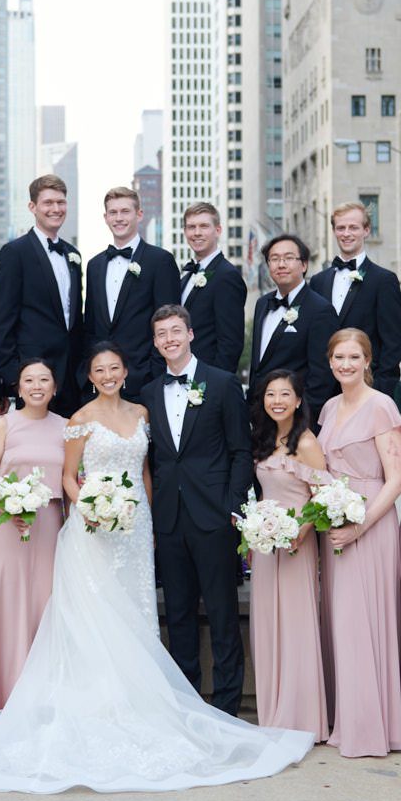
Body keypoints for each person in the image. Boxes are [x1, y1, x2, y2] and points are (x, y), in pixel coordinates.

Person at [0, 342, 314, 793]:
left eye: (114, 368)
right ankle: (99, 707)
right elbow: (68, 477)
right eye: (99, 369)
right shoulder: (79, 420)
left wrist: (152, 522)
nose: (107, 375)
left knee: (136, 609)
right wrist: (91, 508)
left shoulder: (142, 413)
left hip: (138, 527)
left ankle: (146, 700)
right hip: (95, 528)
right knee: (97, 616)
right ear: (90, 376)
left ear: (124, 372)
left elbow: (145, 473)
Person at [141, 305, 251, 716]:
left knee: (223, 615)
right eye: (161, 334)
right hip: (168, 519)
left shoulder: (222, 384)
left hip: (214, 518)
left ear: (190, 333)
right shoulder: (149, 393)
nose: (169, 339)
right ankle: (187, 705)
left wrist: (233, 508)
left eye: (175, 331)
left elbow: (241, 451)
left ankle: (226, 709)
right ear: (154, 343)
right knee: (180, 615)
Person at [317, 328, 401, 758]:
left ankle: (372, 727)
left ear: (368, 361)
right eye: (339, 358)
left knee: (364, 622)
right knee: (342, 622)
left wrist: (361, 526)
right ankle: (347, 716)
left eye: (353, 357)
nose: (345, 365)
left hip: (370, 524)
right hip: (336, 520)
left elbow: (397, 479)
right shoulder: (330, 407)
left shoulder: (382, 406)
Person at [0, 359, 66, 718]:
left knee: (44, 609)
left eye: (44, 379)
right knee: (9, 608)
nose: (37, 385)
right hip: (7, 526)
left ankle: (43, 699)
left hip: (49, 528)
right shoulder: (2, 425)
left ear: (55, 387)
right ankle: (6, 700)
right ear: (19, 387)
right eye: (29, 379)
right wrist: (11, 508)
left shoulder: (67, 426)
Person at [248, 371, 329, 743]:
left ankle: (302, 716)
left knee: (296, 622)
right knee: (267, 621)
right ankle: (273, 711)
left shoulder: (308, 443)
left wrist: (303, 531)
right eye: (270, 394)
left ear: (298, 400)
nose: (276, 400)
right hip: (265, 546)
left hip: (297, 542)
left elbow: (321, 496)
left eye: (285, 394)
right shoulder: (263, 440)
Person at [0, 175, 83, 417]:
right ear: (33, 207)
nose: (56, 209)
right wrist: (14, 378)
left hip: (70, 378)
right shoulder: (14, 252)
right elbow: (0, 321)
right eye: (48, 203)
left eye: (61, 202)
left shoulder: (73, 254)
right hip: (32, 379)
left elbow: (73, 320)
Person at [83, 186, 180, 401]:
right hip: (101, 382)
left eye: (125, 211)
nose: (119, 218)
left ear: (139, 214)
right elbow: (91, 325)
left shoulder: (160, 261)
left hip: (144, 380)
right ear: (105, 217)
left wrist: (153, 372)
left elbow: (169, 322)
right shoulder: (94, 265)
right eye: (113, 212)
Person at [309, 202, 401, 400]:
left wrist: (379, 391)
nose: (346, 233)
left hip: (367, 390)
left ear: (366, 230)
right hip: (322, 395)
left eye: (353, 227)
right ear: (334, 231)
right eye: (340, 228)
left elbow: (394, 342)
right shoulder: (318, 281)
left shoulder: (384, 280)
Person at [249, 234, 338, 421]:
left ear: (304, 265)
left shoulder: (320, 309)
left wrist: (302, 421)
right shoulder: (262, 304)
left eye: (289, 258)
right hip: (260, 417)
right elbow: (257, 367)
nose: (281, 264)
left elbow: (321, 376)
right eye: (274, 259)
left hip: (297, 420)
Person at [178, 201, 246, 374]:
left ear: (218, 230)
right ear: (185, 232)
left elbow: (230, 343)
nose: (197, 232)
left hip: (206, 381)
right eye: (191, 227)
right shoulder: (185, 279)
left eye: (204, 226)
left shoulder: (227, 276)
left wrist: (215, 386)